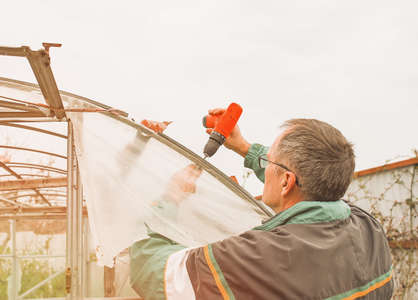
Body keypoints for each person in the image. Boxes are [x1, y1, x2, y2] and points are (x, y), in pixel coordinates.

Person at [129, 111, 393, 300]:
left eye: (270, 162)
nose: (265, 166)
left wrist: (171, 197)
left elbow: (149, 269)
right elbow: (311, 179)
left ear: (287, 182)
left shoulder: (257, 258)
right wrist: (244, 148)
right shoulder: (369, 230)